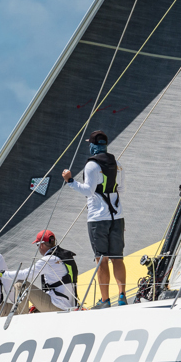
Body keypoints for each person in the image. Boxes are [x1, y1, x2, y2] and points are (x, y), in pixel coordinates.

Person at [62, 130, 126, 308]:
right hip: (117, 217)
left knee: (101, 259)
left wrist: (70, 181)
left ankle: (105, 300)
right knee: (118, 258)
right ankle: (122, 297)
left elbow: (88, 191)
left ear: (93, 145)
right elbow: (121, 189)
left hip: (98, 219)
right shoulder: (117, 163)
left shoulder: (91, 165)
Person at [2, 229, 79, 313]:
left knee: (20, 285)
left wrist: (2, 274)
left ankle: (20, 317)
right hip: (70, 304)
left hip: (58, 306)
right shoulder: (64, 256)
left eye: (37, 245)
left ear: (41, 245)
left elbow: (26, 274)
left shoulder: (48, 260)